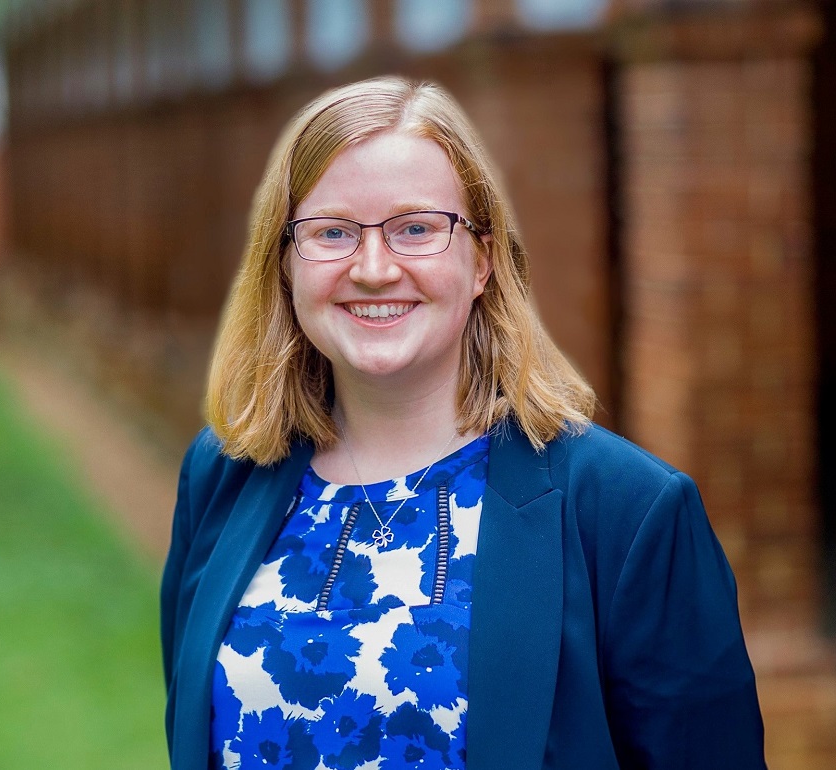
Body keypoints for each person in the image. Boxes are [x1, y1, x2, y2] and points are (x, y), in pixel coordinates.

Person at [161, 76, 766, 770]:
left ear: (481, 259)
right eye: (331, 232)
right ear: (286, 263)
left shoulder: (628, 512)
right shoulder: (221, 476)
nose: (374, 268)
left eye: (415, 228)